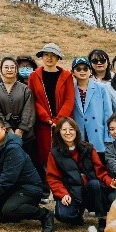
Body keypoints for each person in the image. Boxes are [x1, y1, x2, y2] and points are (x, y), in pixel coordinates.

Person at [0, 114, 55, 232]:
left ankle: (44, 214)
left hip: (29, 189)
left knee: (10, 208)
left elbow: (8, 177)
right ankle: (9, 215)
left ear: (4, 129)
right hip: (13, 187)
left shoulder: (13, 148)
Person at [46, 117, 116, 228]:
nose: (68, 132)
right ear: (59, 132)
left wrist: (110, 182)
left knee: (95, 184)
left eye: (71, 129)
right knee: (63, 215)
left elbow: (100, 170)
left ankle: (102, 218)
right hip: (71, 191)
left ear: (76, 131)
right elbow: (53, 178)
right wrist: (63, 194)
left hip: (90, 190)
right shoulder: (54, 153)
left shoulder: (88, 148)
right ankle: (78, 213)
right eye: (64, 130)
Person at [27, 43, 75, 175]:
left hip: (64, 122)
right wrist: (47, 118)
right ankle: (50, 188)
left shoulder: (66, 75)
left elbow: (69, 99)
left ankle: (66, 187)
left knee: (66, 152)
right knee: (45, 155)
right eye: (46, 55)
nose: (49, 58)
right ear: (42, 57)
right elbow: (33, 99)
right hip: (44, 123)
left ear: (58, 58)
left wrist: (58, 119)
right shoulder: (34, 76)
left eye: (53, 55)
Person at [0, 57, 37, 158]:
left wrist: (20, 130)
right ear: (1, 69)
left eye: (12, 67)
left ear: (16, 70)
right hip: (3, 132)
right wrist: (8, 128)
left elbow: (29, 110)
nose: (9, 70)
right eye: (6, 67)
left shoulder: (25, 89)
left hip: (25, 135)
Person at [71, 57, 114, 155]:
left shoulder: (101, 88)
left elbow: (108, 113)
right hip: (80, 133)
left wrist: (108, 136)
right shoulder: (70, 89)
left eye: (85, 69)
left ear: (90, 71)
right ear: (73, 72)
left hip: (98, 133)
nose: (82, 71)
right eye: (78, 69)